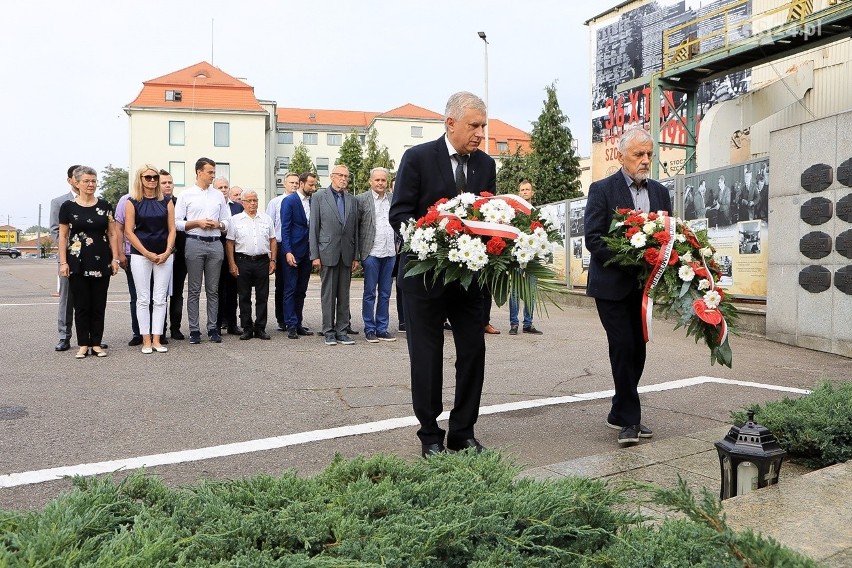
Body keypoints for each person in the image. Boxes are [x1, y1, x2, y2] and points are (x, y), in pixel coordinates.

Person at [389, 91, 496, 458]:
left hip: (468, 281)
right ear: (450, 123)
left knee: (473, 352)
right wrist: (431, 241)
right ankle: (430, 434)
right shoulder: (417, 159)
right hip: (424, 279)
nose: (480, 133)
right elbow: (400, 213)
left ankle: (463, 431)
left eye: (483, 125)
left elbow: (487, 218)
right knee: (427, 356)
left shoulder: (485, 165)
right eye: (474, 125)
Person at [584, 127, 672, 445]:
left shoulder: (661, 193)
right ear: (622, 155)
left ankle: (619, 411)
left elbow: (667, 235)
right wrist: (633, 258)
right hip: (610, 286)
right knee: (622, 347)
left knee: (638, 350)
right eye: (638, 154)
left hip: (643, 288)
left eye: (649, 154)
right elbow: (593, 238)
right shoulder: (602, 190)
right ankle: (630, 421)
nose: (645, 160)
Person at [57, 166, 121, 358]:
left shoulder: (105, 205)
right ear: (76, 183)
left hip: (102, 260)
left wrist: (115, 258)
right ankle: (83, 344)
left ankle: (97, 343)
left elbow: (112, 233)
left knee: (99, 304)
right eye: (86, 181)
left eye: (93, 180)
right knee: (81, 305)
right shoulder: (68, 207)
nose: (90, 184)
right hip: (77, 261)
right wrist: (63, 262)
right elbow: (62, 236)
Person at [174, 158, 232, 344]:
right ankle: (194, 330)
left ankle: (213, 328)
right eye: (210, 172)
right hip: (194, 242)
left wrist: (218, 224)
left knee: (213, 290)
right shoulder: (186, 195)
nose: (212, 175)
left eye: (214, 172)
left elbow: (228, 221)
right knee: (194, 289)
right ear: (199, 172)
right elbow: (176, 222)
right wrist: (196, 223)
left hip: (215, 243)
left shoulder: (218, 196)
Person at [124, 164, 176, 354]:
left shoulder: (167, 201)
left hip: (165, 255)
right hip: (140, 256)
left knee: (160, 299)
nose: (152, 180)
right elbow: (128, 232)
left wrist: (168, 251)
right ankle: (145, 340)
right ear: (141, 179)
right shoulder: (132, 201)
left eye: (155, 177)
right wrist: (146, 253)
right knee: (143, 299)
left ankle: (157, 339)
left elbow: (172, 229)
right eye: (148, 177)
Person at [310, 164, 359, 346]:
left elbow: (355, 230)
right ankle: (328, 331)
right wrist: (314, 255)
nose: (344, 179)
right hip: (326, 252)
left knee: (344, 295)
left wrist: (356, 256)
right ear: (332, 176)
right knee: (328, 295)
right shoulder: (318, 197)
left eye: (346, 176)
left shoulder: (352, 200)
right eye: (340, 175)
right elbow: (313, 228)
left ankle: (342, 331)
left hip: (346, 253)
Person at [225, 189, 276, 340]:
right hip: (243, 261)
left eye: (255, 200)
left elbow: (273, 239)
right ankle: (247, 327)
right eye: (249, 201)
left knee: (262, 296)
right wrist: (232, 263)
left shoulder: (266, 219)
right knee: (244, 296)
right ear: (243, 202)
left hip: (262, 261)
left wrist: (273, 260)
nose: (253, 203)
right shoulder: (235, 220)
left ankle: (260, 328)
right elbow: (230, 243)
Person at [356, 167, 397, 343]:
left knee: (386, 293)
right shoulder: (361, 200)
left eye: (383, 180)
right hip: (371, 252)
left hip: (390, 252)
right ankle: (369, 329)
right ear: (370, 181)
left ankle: (382, 328)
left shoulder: (393, 199)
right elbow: (355, 229)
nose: (380, 183)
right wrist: (357, 255)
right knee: (370, 292)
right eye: (377, 180)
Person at [281, 172, 318, 339]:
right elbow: (285, 228)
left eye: (314, 184)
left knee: (301, 290)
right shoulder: (289, 201)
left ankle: (298, 322)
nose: (313, 187)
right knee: (290, 289)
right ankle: (290, 324)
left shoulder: (314, 201)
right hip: (293, 252)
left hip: (308, 253)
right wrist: (287, 251)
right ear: (301, 184)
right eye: (311, 184)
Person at [50, 165, 80, 352]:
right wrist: (67, 255)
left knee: (89, 300)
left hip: (91, 258)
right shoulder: (59, 202)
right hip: (68, 257)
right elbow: (55, 231)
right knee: (67, 299)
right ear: (70, 180)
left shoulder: (96, 202)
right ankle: (64, 336)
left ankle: (92, 337)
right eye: (78, 178)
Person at [508, 179, 543, 336]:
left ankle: (528, 324)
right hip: (517, 256)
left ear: (532, 192)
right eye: (522, 190)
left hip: (533, 257)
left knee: (531, 290)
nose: (525, 192)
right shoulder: (514, 212)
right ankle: (514, 323)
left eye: (527, 189)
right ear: (519, 193)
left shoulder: (538, 213)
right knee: (515, 291)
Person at [267, 172, 300, 331]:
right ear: (284, 184)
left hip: (297, 246)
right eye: (291, 182)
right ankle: (281, 318)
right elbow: (269, 226)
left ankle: (293, 318)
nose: (294, 185)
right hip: (279, 245)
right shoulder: (275, 202)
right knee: (281, 285)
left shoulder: (302, 201)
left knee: (295, 286)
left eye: (296, 182)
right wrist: (270, 253)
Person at [214, 177, 244, 335]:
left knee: (233, 289)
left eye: (226, 187)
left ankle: (232, 323)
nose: (224, 189)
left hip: (234, 253)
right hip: (217, 249)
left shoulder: (238, 207)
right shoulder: (212, 205)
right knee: (217, 290)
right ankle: (217, 324)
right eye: (220, 187)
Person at [159, 170, 187, 339]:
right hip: (160, 255)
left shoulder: (179, 203)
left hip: (180, 256)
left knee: (177, 293)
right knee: (160, 294)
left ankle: (175, 328)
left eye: (170, 182)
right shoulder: (154, 204)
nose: (168, 185)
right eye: (164, 183)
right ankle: (159, 330)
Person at [115, 192, 144, 347]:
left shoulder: (160, 200)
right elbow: (118, 228)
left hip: (156, 254)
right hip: (131, 253)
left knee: (156, 296)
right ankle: (138, 333)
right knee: (136, 295)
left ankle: (155, 332)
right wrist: (120, 253)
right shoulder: (126, 200)